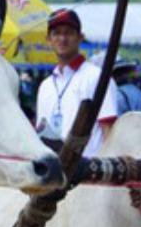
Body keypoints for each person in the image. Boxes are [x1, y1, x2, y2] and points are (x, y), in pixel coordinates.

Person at [34, 9, 117, 155]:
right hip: (55, 172)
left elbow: (109, 132)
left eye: (68, 33)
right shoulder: (45, 86)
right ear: (48, 39)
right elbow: (41, 132)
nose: (62, 38)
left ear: (80, 37)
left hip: (89, 172)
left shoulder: (96, 77)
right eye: (57, 33)